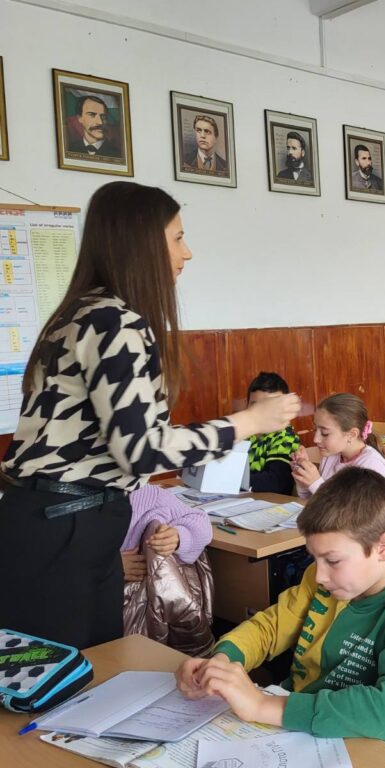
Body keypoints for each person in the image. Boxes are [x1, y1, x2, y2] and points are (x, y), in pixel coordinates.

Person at [0, 181, 299, 648]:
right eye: (177, 238)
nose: (188, 252)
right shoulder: (113, 320)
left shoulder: (82, 312)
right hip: (65, 523)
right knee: (65, 678)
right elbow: (142, 449)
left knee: (85, 670)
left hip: (60, 519)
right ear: (140, 244)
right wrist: (249, 422)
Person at [174, 469, 385, 739]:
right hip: (293, 726)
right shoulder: (328, 582)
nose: (319, 576)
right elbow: (270, 627)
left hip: (353, 743)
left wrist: (261, 705)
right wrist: (221, 662)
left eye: (333, 560)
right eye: (315, 559)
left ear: (383, 547)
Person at [121, 484, 215, 655]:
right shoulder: (77, 503)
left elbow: (201, 522)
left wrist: (178, 537)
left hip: (144, 616)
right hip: (97, 608)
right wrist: (112, 567)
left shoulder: (147, 495)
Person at [292, 393, 385, 498]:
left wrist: (315, 483)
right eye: (315, 429)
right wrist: (304, 480)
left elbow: (353, 509)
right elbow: (311, 501)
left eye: (325, 433)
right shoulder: (331, 456)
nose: (315, 439)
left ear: (352, 434)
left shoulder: (371, 466)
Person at [246, 372, 302, 494]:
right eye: (255, 406)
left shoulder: (286, 437)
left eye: (270, 407)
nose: (262, 412)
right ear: (247, 405)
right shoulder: (242, 434)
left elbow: (276, 483)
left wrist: (231, 479)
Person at [65, 93, 120, 158]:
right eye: (92, 115)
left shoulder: (118, 154)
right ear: (80, 118)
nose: (100, 122)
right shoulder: (69, 149)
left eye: (103, 116)